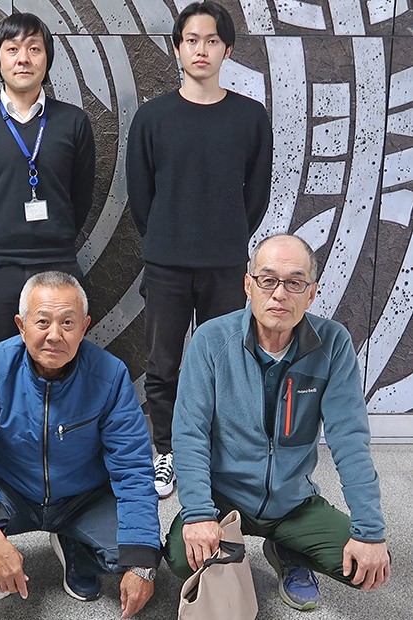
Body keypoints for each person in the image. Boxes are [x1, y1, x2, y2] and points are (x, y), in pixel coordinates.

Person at [165, 234, 391, 611]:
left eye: (294, 283)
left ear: (311, 293)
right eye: (268, 280)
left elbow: (349, 439)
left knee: (365, 566)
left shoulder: (333, 344)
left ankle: (288, 548)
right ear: (248, 285)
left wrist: (370, 531)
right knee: (180, 557)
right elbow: (190, 434)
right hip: (226, 498)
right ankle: (234, 544)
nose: (279, 294)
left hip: (293, 502)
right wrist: (200, 514)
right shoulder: (211, 340)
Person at [0, 272, 160, 620]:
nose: (55, 335)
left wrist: (143, 567)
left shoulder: (110, 375)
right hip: (14, 491)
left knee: (138, 551)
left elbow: (133, 468)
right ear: (21, 325)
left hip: (82, 498)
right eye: (42, 321)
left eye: (68, 323)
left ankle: (76, 551)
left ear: (84, 327)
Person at [126, 0, 273, 498]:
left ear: (227, 50)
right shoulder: (153, 117)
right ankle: (166, 450)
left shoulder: (250, 117)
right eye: (192, 40)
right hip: (166, 263)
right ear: (177, 48)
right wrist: (164, 239)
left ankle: (216, 451)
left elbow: (256, 194)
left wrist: (228, 237)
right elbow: (140, 196)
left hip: (225, 264)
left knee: (226, 365)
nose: (201, 49)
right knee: (162, 364)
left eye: (212, 40)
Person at [0, 13, 96, 355]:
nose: (23, 58)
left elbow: (82, 193)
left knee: (59, 358)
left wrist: (55, 230)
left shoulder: (73, 121)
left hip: (57, 261)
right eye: (12, 49)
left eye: (34, 48)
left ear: (47, 58)